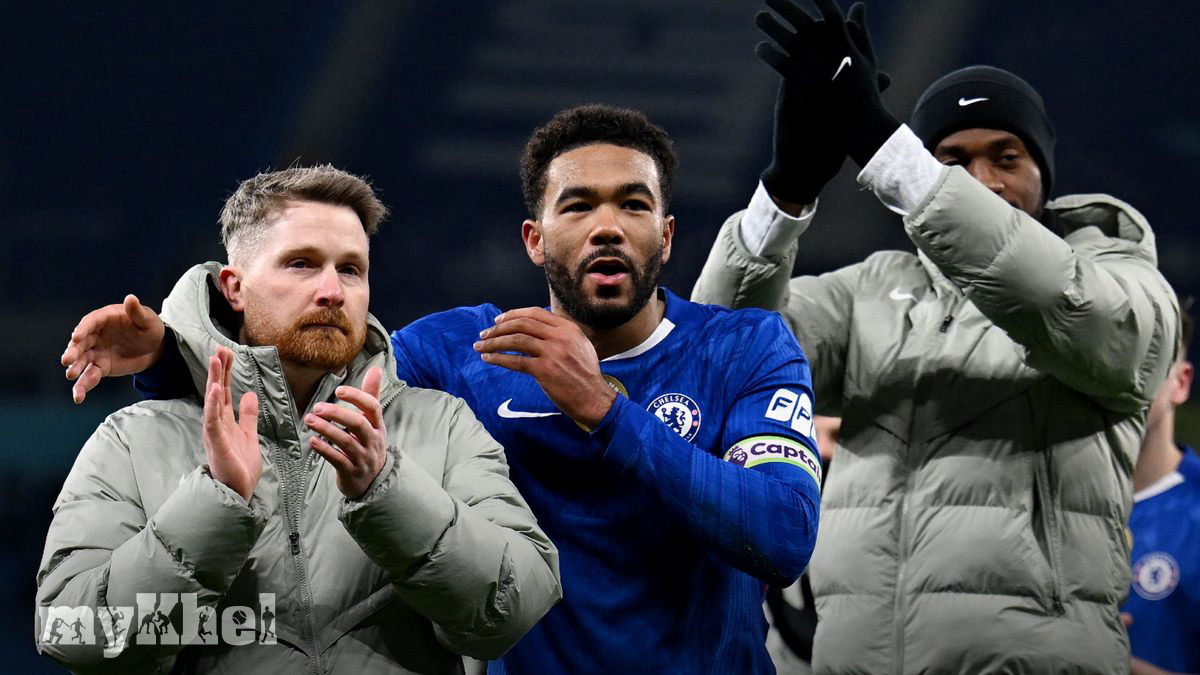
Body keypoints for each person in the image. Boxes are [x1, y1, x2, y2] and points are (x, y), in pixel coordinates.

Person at [61, 105, 823, 673]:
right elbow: (303, 394)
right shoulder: (462, 351)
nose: (607, 226)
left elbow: (784, 534)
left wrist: (605, 411)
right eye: (578, 205)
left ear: (667, 234)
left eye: (633, 203)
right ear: (534, 240)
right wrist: (173, 360)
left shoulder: (745, 347)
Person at [691, 0, 1179, 673]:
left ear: (1045, 170)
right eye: (953, 159)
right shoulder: (868, 292)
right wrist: (784, 195)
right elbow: (719, 364)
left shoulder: (1117, 274)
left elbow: (1064, 302)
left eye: (1006, 156)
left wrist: (885, 146)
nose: (982, 181)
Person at [39, 165, 561, 673]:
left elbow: (512, 612)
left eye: (351, 269)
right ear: (234, 288)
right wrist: (215, 505)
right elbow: (72, 634)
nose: (333, 291)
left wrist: (389, 494)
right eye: (301, 264)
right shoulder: (132, 441)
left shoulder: (442, 425)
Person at [1123, 300, 1200, 675]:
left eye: (1146, 361)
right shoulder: (1035, 502)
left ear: (1180, 383)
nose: (1121, 377)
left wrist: (1110, 661)